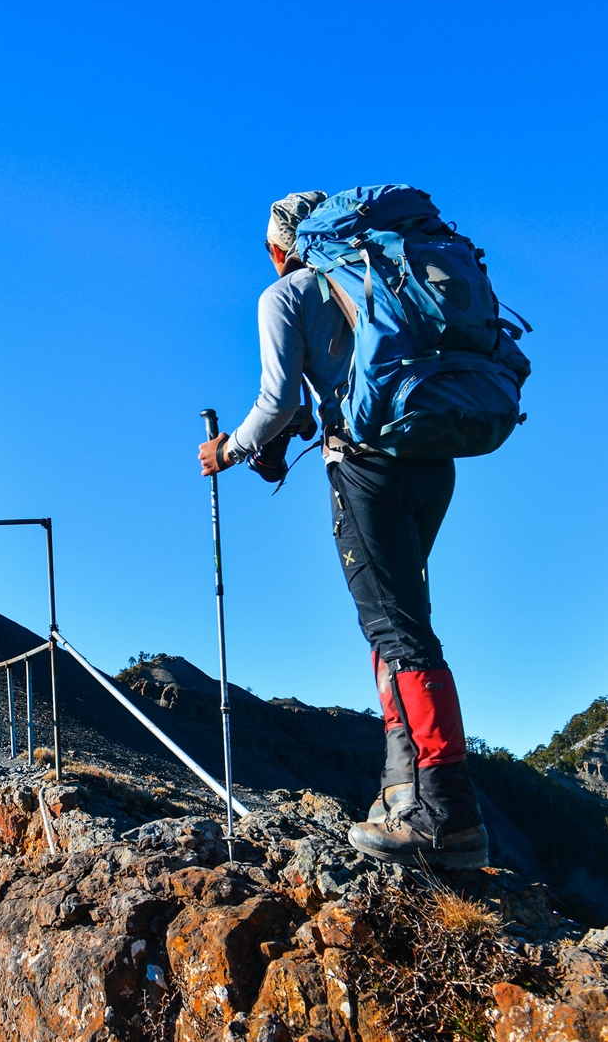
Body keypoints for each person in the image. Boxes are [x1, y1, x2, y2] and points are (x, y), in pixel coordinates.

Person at [197, 190, 488, 869]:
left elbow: (276, 402)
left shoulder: (285, 295)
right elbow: (332, 389)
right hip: (432, 459)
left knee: (398, 630)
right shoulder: (372, 275)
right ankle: (400, 788)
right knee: (399, 618)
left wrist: (227, 452)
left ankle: (446, 813)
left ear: (278, 247)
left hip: (367, 471)